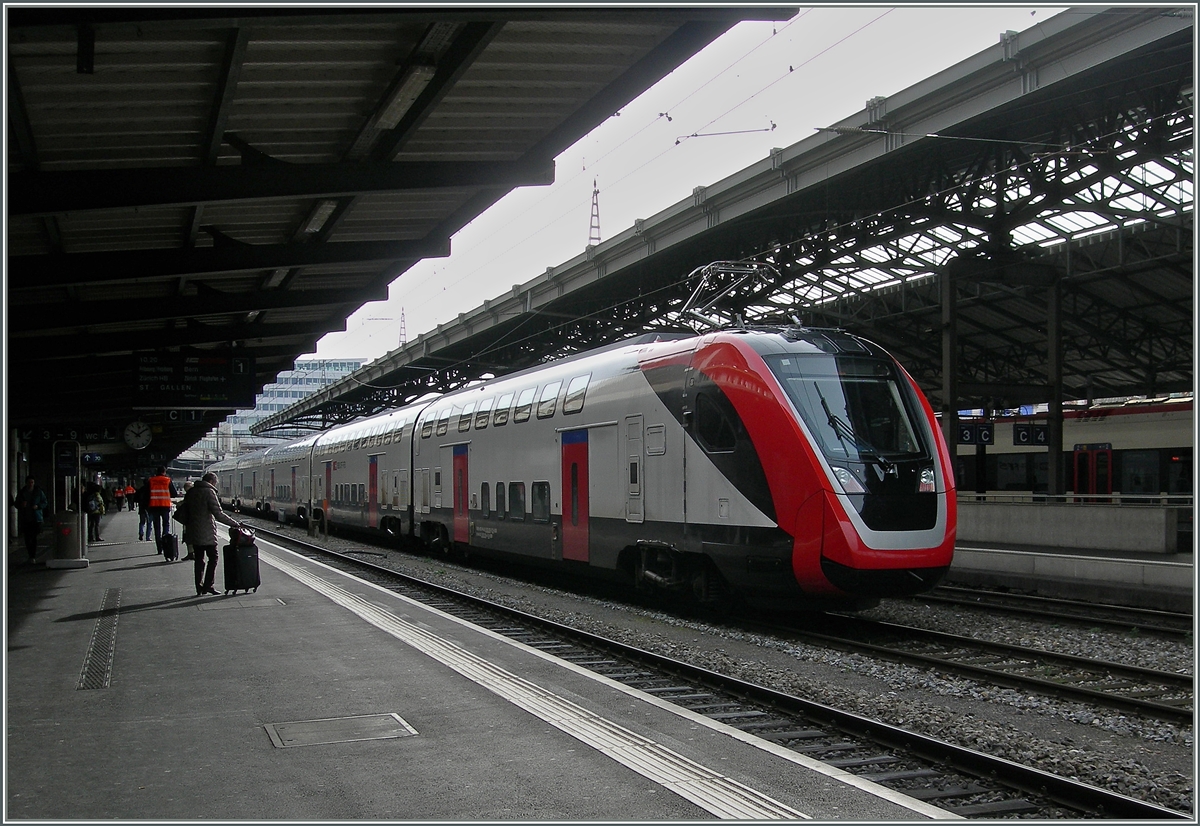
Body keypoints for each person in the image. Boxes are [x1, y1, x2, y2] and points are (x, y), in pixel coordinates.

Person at [183, 472, 240, 596]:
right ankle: (208, 585)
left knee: (199, 559)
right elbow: (218, 514)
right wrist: (235, 524)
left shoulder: (191, 492)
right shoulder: (209, 492)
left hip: (193, 530)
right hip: (207, 532)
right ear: (212, 481)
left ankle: (199, 587)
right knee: (213, 558)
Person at [14, 477, 48, 562]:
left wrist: (38, 506)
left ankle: (33, 555)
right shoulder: (22, 493)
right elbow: (16, 503)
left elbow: (45, 502)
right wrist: (21, 505)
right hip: (26, 518)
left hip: (36, 518)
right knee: (27, 538)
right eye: (29, 482)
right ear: (26, 483)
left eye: (32, 482)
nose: (30, 484)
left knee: (33, 537)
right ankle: (31, 554)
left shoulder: (38, 492)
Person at [147, 466, 178, 551]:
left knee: (156, 526)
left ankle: (159, 548)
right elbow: (174, 493)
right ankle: (165, 544)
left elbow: (147, 493)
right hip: (165, 505)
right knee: (166, 524)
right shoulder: (167, 480)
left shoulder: (151, 480)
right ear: (164, 472)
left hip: (154, 506)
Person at [180, 480, 195, 561]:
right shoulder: (191, 494)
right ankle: (191, 553)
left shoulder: (191, 495)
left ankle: (192, 553)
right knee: (187, 536)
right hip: (188, 519)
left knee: (189, 536)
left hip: (190, 520)